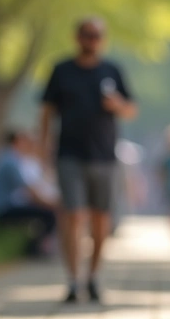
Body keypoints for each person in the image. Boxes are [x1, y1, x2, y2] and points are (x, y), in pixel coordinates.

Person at [39, 17, 137, 303]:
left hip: (104, 156)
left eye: (96, 36)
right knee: (72, 216)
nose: (91, 40)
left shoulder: (112, 71)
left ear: (102, 40)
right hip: (69, 154)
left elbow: (131, 109)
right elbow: (46, 111)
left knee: (100, 220)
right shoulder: (61, 71)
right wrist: (43, 148)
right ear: (77, 37)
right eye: (86, 35)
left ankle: (93, 276)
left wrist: (117, 105)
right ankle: (72, 280)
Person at [0, 130, 60, 257]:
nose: (27, 145)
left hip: (2, 205)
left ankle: (35, 248)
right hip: (4, 208)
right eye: (25, 141)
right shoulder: (10, 160)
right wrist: (50, 204)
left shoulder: (4, 156)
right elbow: (28, 190)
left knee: (44, 213)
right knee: (49, 216)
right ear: (17, 142)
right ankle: (32, 250)